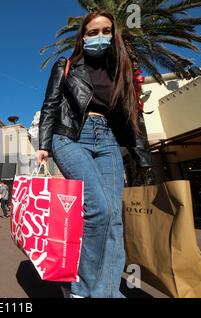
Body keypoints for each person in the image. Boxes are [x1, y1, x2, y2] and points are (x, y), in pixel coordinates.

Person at [36, 10, 151, 298]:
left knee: (114, 217)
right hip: (71, 137)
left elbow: (129, 113)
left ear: (114, 35)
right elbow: (51, 104)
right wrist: (43, 145)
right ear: (82, 36)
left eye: (105, 31)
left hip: (108, 140)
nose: (99, 37)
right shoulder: (67, 65)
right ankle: (81, 289)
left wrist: (141, 155)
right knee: (98, 208)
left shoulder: (120, 70)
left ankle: (108, 291)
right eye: (92, 32)